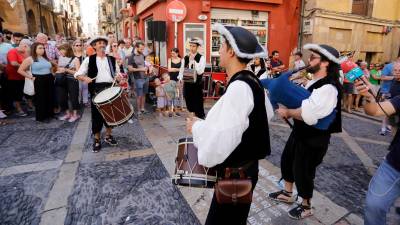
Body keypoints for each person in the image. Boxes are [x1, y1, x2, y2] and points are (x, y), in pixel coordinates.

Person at [186, 24, 272, 225]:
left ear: (232, 52)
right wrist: (208, 124)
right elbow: (264, 115)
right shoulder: (251, 80)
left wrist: (196, 128)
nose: (219, 51)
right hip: (246, 171)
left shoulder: (239, 87)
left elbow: (218, 145)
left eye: (222, 46)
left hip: (235, 175)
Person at [268, 44, 342, 220]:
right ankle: (287, 193)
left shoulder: (328, 88)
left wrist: (288, 112)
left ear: (325, 63)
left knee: (303, 171)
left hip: (314, 137)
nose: (309, 60)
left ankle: (306, 205)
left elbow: (310, 115)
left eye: (314, 57)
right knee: (287, 160)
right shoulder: (313, 79)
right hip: (301, 133)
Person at [355, 62, 400, 225]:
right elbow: (375, 110)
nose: (397, 71)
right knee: (374, 205)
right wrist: (368, 97)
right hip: (395, 164)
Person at [74, 36, 122, 152]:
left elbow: (117, 74)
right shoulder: (89, 60)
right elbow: (77, 74)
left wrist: (119, 78)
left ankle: (108, 135)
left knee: (110, 115)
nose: (102, 45)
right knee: (97, 116)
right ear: (94, 46)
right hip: (96, 89)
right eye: (99, 43)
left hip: (110, 88)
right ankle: (96, 139)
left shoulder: (111, 59)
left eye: (104, 43)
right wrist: (85, 79)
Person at [18, 43, 54, 122]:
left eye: (43, 48)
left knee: (50, 96)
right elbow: (20, 70)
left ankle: (50, 114)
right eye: (40, 48)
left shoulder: (46, 58)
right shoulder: (30, 59)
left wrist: (52, 74)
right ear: (34, 49)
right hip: (38, 79)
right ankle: (41, 117)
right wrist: (30, 77)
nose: (42, 50)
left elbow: (50, 67)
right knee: (41, 98)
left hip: (49, 78)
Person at [178, 38, 206, 119]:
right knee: (188, 100)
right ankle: (191, 118)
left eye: (194, 46)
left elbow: (200, 71)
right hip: (187, 82)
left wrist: (193, 61)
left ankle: (199, 117)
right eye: (190, 46)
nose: (191, 48)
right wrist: (180, 79)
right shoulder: (186, 57)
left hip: (197, 83)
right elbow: (182, 69)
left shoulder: (201, 58)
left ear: (197, 47)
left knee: (197, 101)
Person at [6, 39, 32, 116]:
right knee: (17, 93)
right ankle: (19, 109)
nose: (28, 49)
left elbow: (30, 60)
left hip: (24, 76)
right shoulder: (12, 51)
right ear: (24, 45)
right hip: (14, 76)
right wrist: (24, 67)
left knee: (27, 91)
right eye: (27, 47)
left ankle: (30, 105)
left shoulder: (25, 52)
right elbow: (13, 63)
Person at [56, 43, 81, 122]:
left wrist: (66, 70)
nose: (60, 52)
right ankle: (67, 113)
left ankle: (75, 114)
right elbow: (59, 68)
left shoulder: (75, 59)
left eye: (62, 50)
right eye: (60, 50)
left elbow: (78, 72)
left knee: (74, 97)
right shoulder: (60, 58)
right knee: (62, 98)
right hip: (61, 80)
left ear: (68, 50)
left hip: (72, 80)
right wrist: (58, 70)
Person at [379, 57, 400, 135]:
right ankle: (384, 129)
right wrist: (386, 95)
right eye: (395, 70)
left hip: (397, 107)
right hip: (392, 104)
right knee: (389, 118)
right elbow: (392, 90)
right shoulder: (394, 79)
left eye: (399, 70)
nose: (397, 72)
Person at [127, 41, 147, 115]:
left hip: (145, 77)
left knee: (144, 94)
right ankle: (138, 110)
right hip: (137, 78)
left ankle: (142, 108)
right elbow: (130, 69)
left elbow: (145, 64)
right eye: (141, 49)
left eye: (143, 49)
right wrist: (141, 69)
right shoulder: (131, 57)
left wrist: (149, 68)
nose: (142, 50)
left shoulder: (143, 55)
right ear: (136, 47)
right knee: (139, 95)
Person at [73, 40, 89, 106]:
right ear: (74, 46)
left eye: (80, 45)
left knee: (85, 87)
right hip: (75, 73)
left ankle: (85, 101)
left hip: (84, 73)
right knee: (78, 88)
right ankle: (78, 101)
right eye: (77, 45)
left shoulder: (85, 54)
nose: (79, 46)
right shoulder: (72, 55)